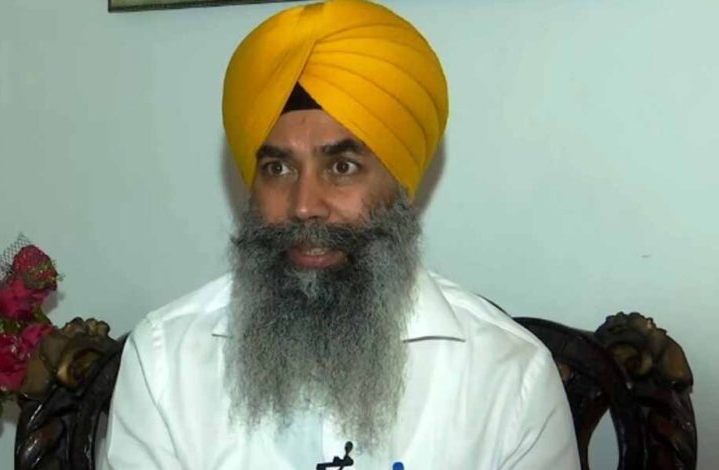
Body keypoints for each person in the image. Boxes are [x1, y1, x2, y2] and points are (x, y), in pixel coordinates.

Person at [100, 0, 580, 468]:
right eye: (278, 168)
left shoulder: (509, 379)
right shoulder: (164, 363)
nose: (304, 205)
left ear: (403, 185)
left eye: (342, 167)